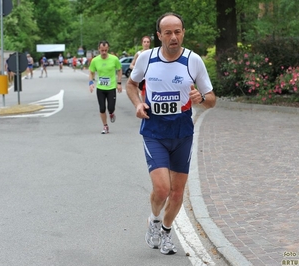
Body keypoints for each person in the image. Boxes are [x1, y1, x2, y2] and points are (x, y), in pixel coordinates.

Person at [126, 12, 216, 255]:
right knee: (162, 189)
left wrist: (202, 98)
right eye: (168, 32)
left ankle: (166, 232)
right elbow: (131, 85)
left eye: (177, 31)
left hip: (182, 133)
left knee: (177, 192)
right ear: (159, 36)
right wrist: (137, 103)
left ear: (183, 33)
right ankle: (154, 220)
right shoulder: (147, 58)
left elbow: (212, 100)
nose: (173, 36)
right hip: (154, 131)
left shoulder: (193, 60)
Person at [88, 41, 122, 134]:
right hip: (100, 88)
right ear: (99, 49)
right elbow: (91, 72)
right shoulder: (95, 60)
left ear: (108, 49)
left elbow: (119, 70)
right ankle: (105, 126)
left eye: (105, 50)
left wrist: (119, 83)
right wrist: (90, 82)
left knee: (111, 108)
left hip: (111, 88)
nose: (104, 52)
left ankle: (111, 113)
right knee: (102, 108)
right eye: (102, 50)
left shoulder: (114, 59)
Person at [130, 36, 151, 102]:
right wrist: (139, 70)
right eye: (144, 42)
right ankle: (144, 105)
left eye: (148, 42)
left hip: (151, 76)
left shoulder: (153, 52)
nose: (146, 43)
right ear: (142, 43)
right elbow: (131, 65)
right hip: (142, 77)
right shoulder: (138, 54)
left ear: (150, 43)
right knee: (143, 91)